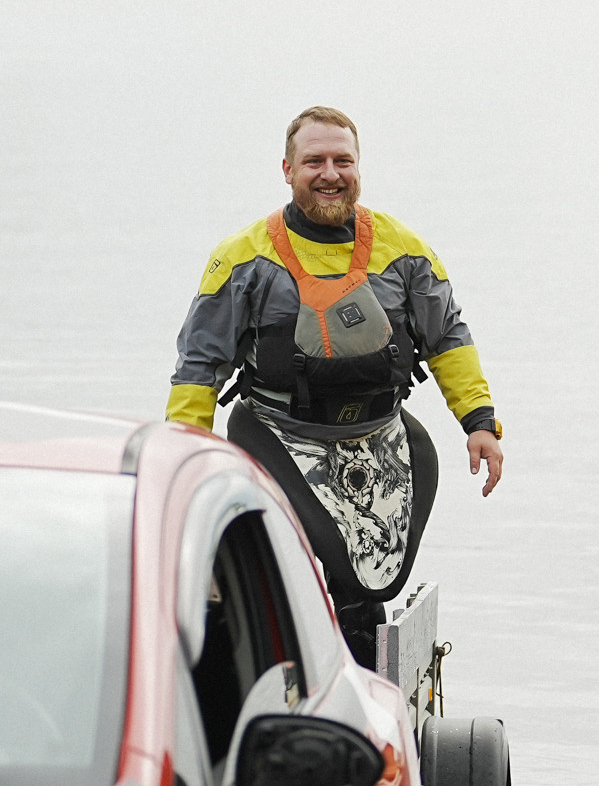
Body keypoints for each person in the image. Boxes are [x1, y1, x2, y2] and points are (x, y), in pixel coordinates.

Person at [166, 106, 504, 666]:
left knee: (365, 588)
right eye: (314, 161)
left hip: (381, 437)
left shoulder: (405, 249)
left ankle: (361, 668)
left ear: (358, 167)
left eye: (342, 161)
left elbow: (448, 338)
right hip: (278, 432)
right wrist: (182, 460)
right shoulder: (243, 258)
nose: (329, 174)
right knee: (289, 561)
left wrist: (479, 423)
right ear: (287, 169)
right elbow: (199, 368)